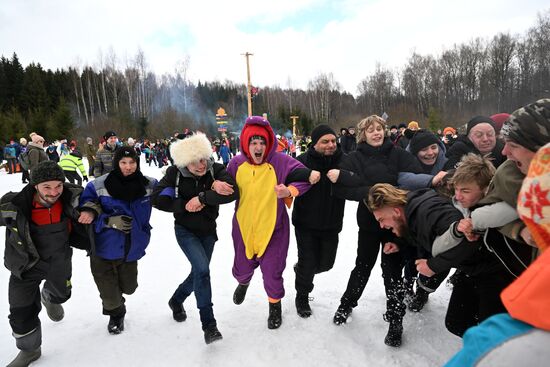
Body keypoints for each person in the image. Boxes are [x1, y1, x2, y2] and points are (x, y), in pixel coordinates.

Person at [444, 143, 550, 367]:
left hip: (500, 277)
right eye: (456, 190)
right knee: (455, 322)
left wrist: (519, 232)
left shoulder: (496, 209)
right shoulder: (462, 208)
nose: (458, 196)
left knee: (490, 332)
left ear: (484, 190)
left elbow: (512, 216)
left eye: (465, 191)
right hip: (472, 272)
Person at [329, 115, 422, 347]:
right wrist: (373, 193)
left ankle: (395, 321)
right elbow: (340, 189)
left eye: (379, 128)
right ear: (363, 134)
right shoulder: (354, 158)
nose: (376, 133)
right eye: (370, 130)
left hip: (397, 222)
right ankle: (347, 303)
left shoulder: (400, 154)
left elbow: (412, 183)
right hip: (369, 223)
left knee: (392, 271)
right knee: (363, 264)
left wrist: (385, 193)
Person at [1, 161, 92, 367]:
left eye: (58, 186)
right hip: (24, 267)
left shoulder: (73, 199)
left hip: (58, 262)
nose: (54, 192)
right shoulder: (14, 205)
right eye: (47, 187)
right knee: (20, 312)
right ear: (35, 186)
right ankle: (30, 351)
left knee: (62, 294)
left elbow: (97, 202)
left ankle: (50, 298)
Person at [227, 115, 312, 330]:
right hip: (244, 229)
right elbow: (222, 185)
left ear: (269, 144)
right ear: (246, 144)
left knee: (273, 271)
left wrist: (290, 190)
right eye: (253, 142)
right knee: (242, 268)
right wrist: (215, 189)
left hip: (274, 229)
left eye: (262, 142)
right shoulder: (236, 164)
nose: (258, 147)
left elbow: (305, 177)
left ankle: (275, 307)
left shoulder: (280, 161)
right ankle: (243, 282)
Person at [152, 134, 238, 344]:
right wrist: (182, 205)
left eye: (202, 159)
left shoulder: (215, 170)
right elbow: (156, 199)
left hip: (208, 231)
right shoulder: (174, 173)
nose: (200, 165)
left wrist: (203, 196)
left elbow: (233, 192)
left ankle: (176, 300)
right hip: (185, 230)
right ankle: (209, 325)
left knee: (198, 273)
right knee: (202, 271)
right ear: (183, 161)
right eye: (193, 161)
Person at [79, 146, 157, 335]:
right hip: (103, 248)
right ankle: (116, 314)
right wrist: (106, 221)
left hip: (131, 249)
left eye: (132, 163)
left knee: (130, 288)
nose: (128, 167)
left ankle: (117, 299)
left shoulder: (149, 184)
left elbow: (170, 193)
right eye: (123, 162)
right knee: (110, 295)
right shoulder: (98, 185)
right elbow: (85, 207)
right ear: (116, 163)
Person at [292, 125, 346, 318]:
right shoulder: (302, 161)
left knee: (326, 264)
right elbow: (286, 174)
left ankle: (300, 271)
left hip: (332, 223)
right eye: (325, 141)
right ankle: (302, 296)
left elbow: (358, 176)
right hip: (305, 223)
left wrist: (344, 175)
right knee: (308, 264)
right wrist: (306, 174)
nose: (331, 145)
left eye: (333, 141)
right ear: (315, 143)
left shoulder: (343, 160)